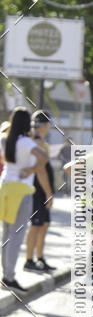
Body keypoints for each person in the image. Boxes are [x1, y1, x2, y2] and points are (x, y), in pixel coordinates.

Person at [0, 107, 52, 291]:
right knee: (16, 235)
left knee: (6, 233)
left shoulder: (5, 139)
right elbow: (44, 157)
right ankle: (9, 277)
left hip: (5, 186)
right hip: (21, 190)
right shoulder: (25, 142)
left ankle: (5, 275)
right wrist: (30, 170)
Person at [24, 111, 56, 273]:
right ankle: (29, 260)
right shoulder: (35, 140)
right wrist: (49, 192)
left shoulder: (42, 141)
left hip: (42, 190)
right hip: (38, 190)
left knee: (44, 224)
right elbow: (40, 170)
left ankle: (40, 257)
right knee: (36, 225)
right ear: (46, 124)